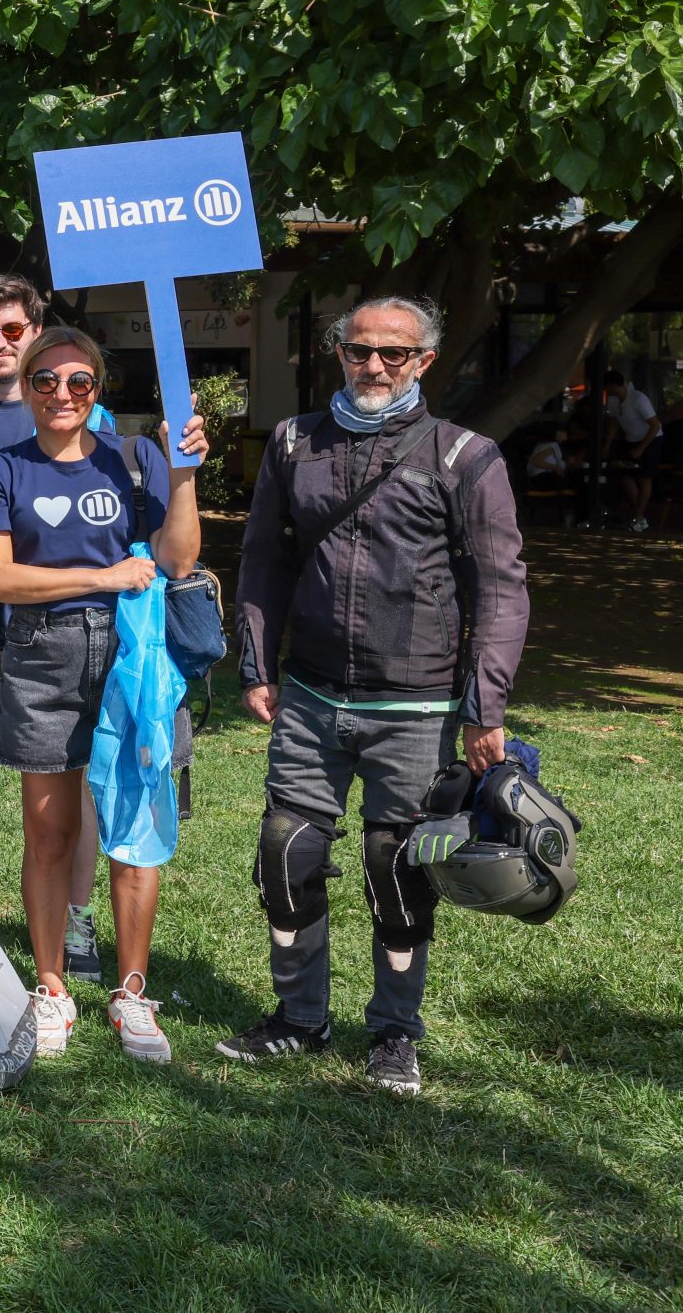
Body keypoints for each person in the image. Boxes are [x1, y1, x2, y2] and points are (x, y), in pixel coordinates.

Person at [222, 295, 528, 1097]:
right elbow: (262, 559)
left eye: (395, 354)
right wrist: (256, 663)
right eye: (360, 351)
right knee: (285, 854)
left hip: (418, 706)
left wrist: (483, 706)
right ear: (339, 353)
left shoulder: (465, 456)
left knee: (396, 868)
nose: (375, 367)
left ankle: (395, 1033)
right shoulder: (294, 443)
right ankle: (300, 1019)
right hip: (314, 694)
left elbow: (500, 588)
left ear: (425, 361)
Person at [0, 326, 204, 1064]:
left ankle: (131, 996)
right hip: (43, 652)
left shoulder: (134, 461)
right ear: (26, 389)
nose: (61, 395)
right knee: (49, 832)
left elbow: (178, 556)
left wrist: (187, 472)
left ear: (98, 389)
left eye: (79, 382)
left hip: (136, 654)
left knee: (134, 831)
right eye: (45, 382)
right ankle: (52, 987)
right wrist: (102, 576)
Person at [0, 273, 119, 977]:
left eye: (12, 330)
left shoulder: (87, 411)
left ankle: (76, 923)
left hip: (66, 629)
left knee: (73, 780)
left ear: (38, 330)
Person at [603, 368, 663, 532]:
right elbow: (614, 423)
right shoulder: (613, 401)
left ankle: (638, 516)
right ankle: (640, 514)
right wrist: (607, 445)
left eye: (607, 387)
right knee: (624, 474)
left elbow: (655, 424)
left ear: (614, 385)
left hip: (651, 439)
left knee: (645, 478)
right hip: (631, 440)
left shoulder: (638, 398)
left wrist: (641, 448)